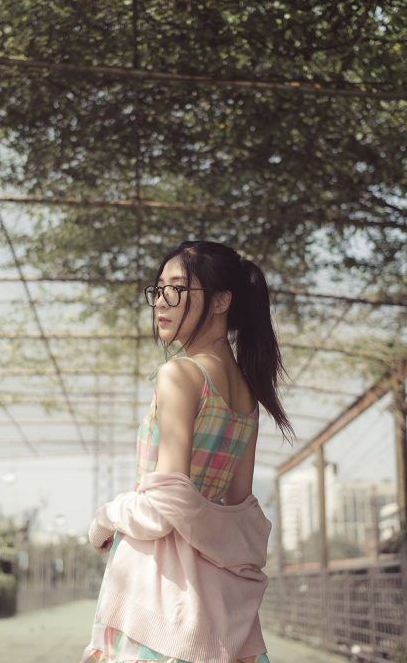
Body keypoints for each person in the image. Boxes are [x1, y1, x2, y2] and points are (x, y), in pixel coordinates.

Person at [80, 240, 295, 663]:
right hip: (214, 602)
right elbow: (239, 508)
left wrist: (104, 519)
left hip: (159, 592)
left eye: (177, 288)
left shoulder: (179, 374)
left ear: (221, 301)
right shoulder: (248, 394)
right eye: (159, 289)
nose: (162, 301)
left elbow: (167, 501)